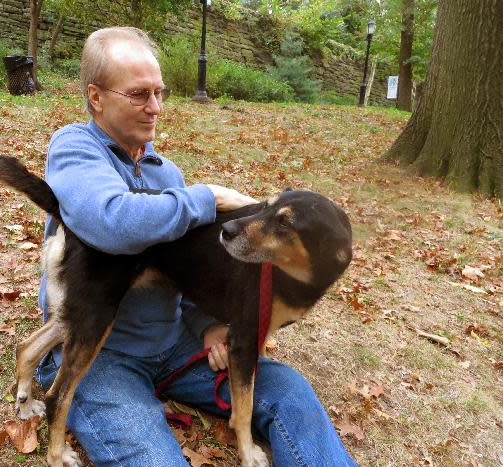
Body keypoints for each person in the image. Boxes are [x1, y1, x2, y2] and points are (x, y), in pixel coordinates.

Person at [36, 26, 357, 467]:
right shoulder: (75, 148)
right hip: (103, 355)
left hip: (175, 346)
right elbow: (111, 222)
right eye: (138, 94)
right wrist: (208, 197)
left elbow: (188, 263)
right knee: (155, 459)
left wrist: (207, 324)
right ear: (96, 97)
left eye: (159, 93)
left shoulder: (167, 173)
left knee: (290, 394)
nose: (155, 108)